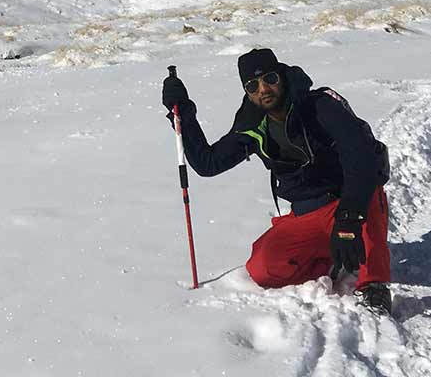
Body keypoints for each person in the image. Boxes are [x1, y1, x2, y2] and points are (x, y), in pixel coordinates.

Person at [161, 47, 393, 314]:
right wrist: (184, 116)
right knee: (263, 269)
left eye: (269, 79)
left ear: (281, 76)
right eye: (252, 85)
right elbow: (208, 163)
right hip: (306, 213)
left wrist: (349, 217)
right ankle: (330, 256)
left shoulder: (319, 106)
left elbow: (361, 157)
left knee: (368, 193)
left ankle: (373, 286)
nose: (263, 89)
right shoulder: (252, 125)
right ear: (247, 92)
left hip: (349, 201)